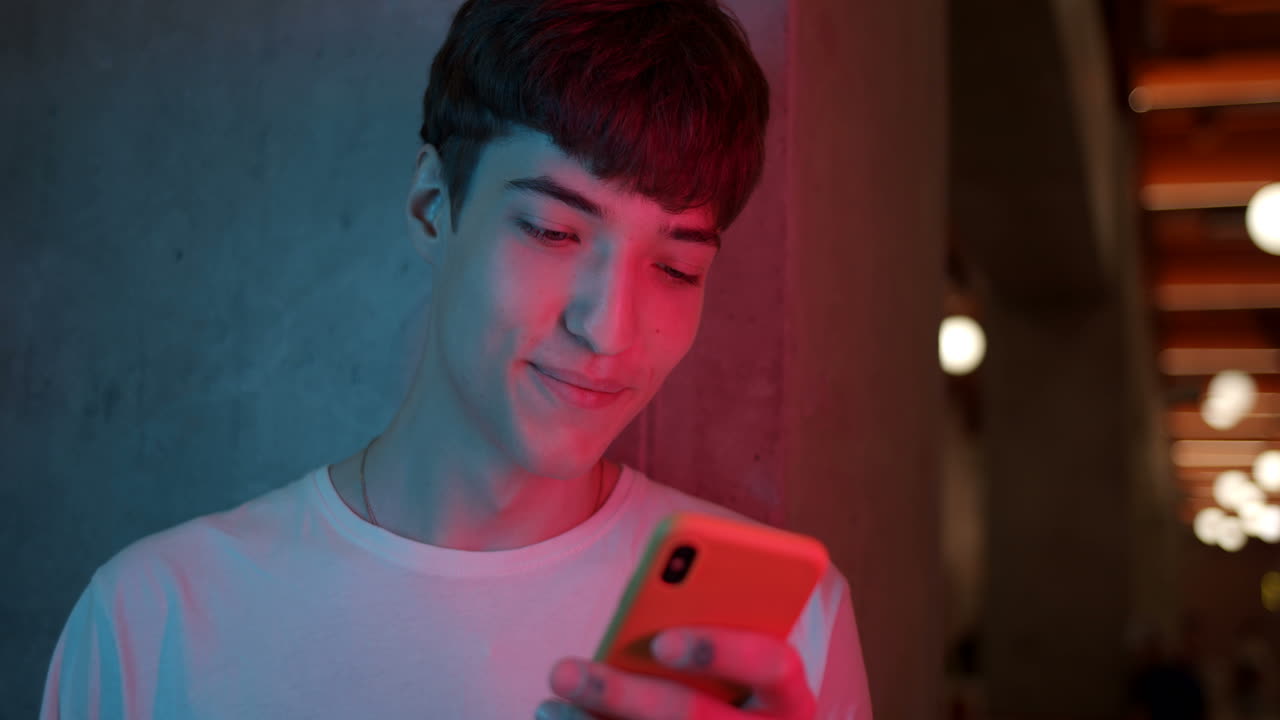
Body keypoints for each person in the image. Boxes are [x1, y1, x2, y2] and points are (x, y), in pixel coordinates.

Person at [39, 1, 872, 718]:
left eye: (677, 268)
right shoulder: (157, 620)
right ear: (432, 207)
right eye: (552, 231)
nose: (609, 329)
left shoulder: (781, 635)